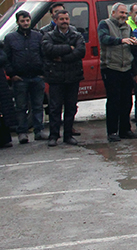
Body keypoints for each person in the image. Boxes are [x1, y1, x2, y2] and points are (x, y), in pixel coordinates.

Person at [41, 9, 85, 147]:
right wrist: (68, 48)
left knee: (71, 107)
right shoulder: (48, 36)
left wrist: (62, 58)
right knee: (55, 108)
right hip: (56, 78)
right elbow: (48, 50)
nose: (64, 22)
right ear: (55, 21)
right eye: (61, 19)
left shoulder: (77, 35)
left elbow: (80, 52)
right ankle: (53, 136)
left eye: (66, 19)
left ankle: (68, 135)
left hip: (73, 77)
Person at [97, 2, 137, 142]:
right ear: (113, 13)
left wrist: (134, 43)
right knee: (114, 101)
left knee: (127, 101)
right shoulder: (105, 24)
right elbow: (103, 39)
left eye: (125, 13)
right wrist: (121, 40)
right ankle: (112, 132)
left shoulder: (128, 27)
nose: (123, 16)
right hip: (111, 68)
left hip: (126, 67)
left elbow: (131, 49)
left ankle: (125, 130)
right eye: (121, 13)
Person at [5, 9, 47, 142]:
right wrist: (12, 74)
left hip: (36, 76)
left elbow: (44, 55)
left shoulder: (38, 36)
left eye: (27, 20)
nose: (25, 23)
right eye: (22, 21)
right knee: (21, 106)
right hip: (20, 78)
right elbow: (7, 58)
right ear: (18, 22)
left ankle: (39, 130)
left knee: (38, 105)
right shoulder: (10, 38)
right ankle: (22, 132)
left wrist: (43, 73)